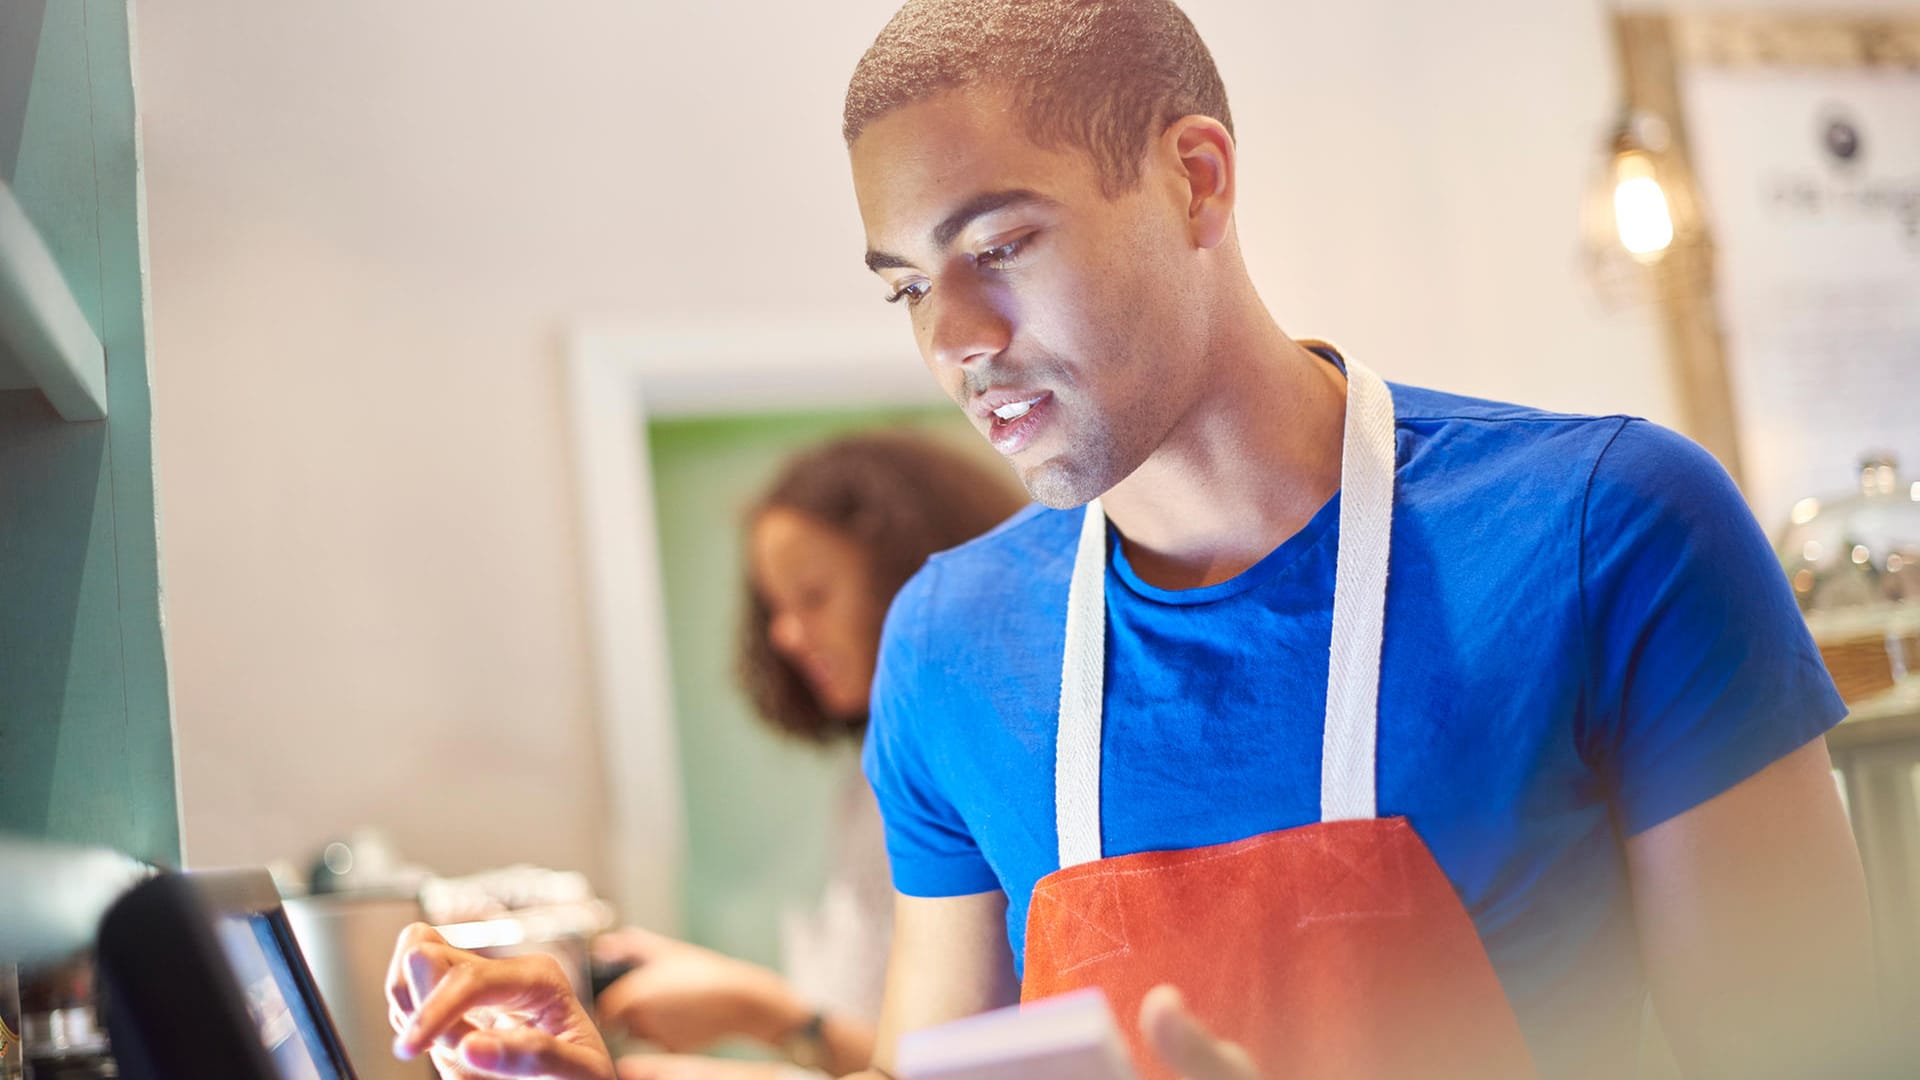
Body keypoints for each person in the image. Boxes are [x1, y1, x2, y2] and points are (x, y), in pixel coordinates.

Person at [388, 2, 1882, 1077]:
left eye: (999, 245)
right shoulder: (949, 646)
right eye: (907, 286)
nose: (955, 342)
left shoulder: (1609, 534)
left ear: (1196, 179)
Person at [588, 433, 1025, 1080]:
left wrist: (762, 1012)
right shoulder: (866, 787)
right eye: (775, 609)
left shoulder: (988, 780)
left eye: (813, 596)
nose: (787, 635)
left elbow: (960, 1064)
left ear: (909, 580)